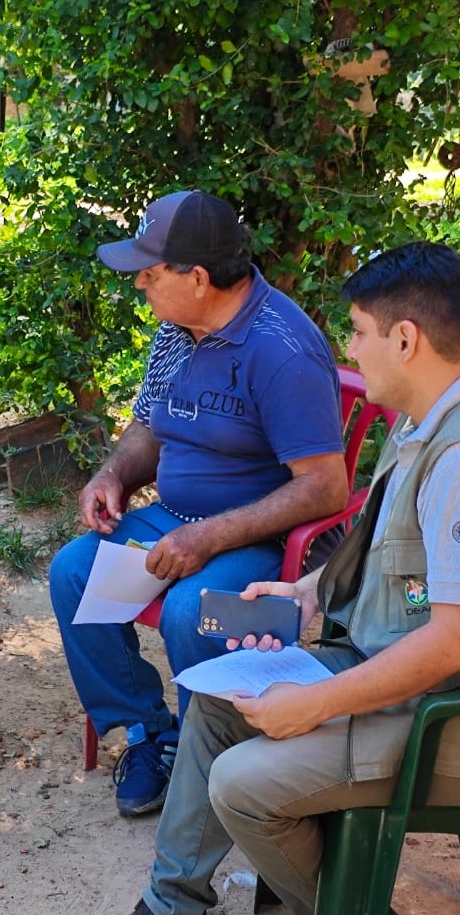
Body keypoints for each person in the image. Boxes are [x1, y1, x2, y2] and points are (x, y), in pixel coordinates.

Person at [114, 240, 460, 915]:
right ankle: (173, 906)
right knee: (217, 703)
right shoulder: (428, 423)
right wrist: (309, 592)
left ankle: (354, 911)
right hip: (425, 680)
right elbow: (422, 578)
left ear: (406, 339)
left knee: (242, 784)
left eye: (360, 332)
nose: (350, 347)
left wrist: (316, 703)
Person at [50, 190, 349, 817]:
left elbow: (326, 488)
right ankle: (148, 731)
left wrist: (209, 538)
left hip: (258, 542)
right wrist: (113, 476)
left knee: (194, 610)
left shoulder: (282, 349)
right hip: (171, 521)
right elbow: (147, 427)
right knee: (72, 573)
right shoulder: (176, 330)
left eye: (151, 274)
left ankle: (206, 753)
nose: (140, 285)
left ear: (199, 277)